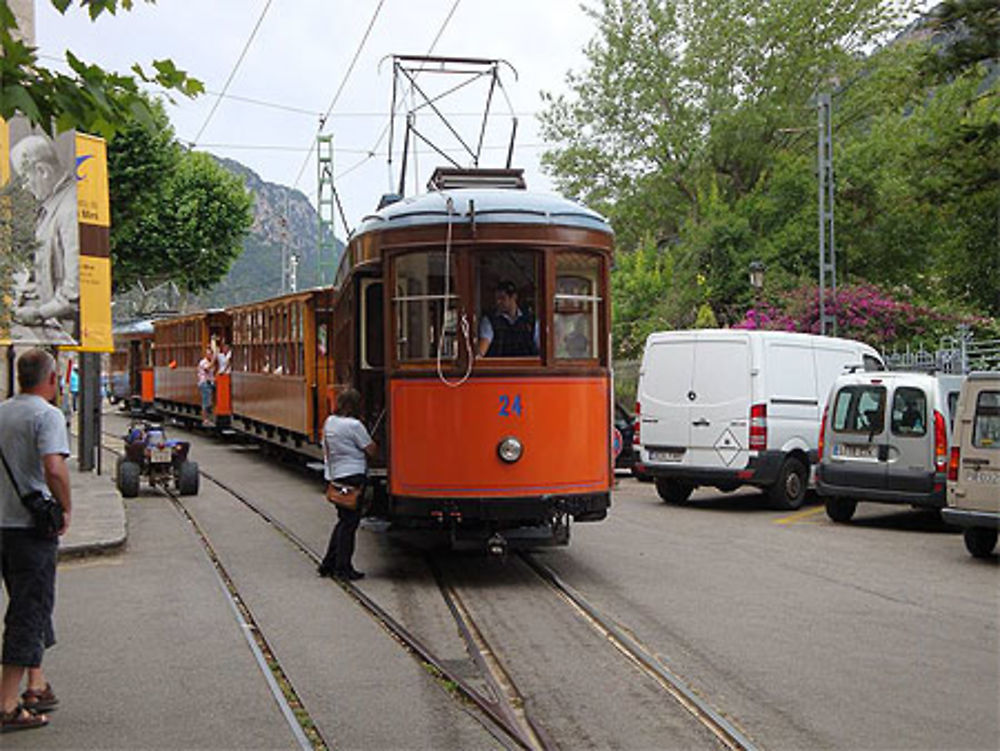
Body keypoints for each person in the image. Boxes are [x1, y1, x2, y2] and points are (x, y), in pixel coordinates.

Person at [0, 349, 72, 734]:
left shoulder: (2, 411)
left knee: (29, 603)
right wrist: (66, 506)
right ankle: (7, 705)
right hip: (31, 528)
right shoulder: (47, 415)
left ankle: (36, 685)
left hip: (3, 525)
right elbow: (54, 467)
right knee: (28, 611)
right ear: (51, 379)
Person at [9, 135, 80, 343]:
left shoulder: (69, 209)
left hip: (61, 333)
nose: (24, 187)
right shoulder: (54, 204)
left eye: (24, 178)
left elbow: (73, 293)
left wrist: (38, 313)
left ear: (42, 171)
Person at [318, 388, 376, 581]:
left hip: (336, 476)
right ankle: (343, 568)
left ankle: (328, 564)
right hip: (354, 476)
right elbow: (371, 449)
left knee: (343, 520)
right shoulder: (355, 425)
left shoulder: (330, 422)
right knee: (349, 524)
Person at [477, 280, 539, 357]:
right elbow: (483, 347)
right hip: (498, 367)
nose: (498, 302)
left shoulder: (530, 320)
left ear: (514, 297)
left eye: (502, 298)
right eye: (496, 299)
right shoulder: (490, 320)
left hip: (527, 367)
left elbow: (541, 347)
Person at [197, 347, 215, 426]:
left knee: (209, 402)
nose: (209, 355)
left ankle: (209, 419)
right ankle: (205, 420)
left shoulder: (210, 362)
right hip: (204, 383)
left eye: (210, 354)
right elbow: (207, 369)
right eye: (208, 354)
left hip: (209, 383)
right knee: (206, 402)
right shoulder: (203, 362)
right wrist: (213, 361)